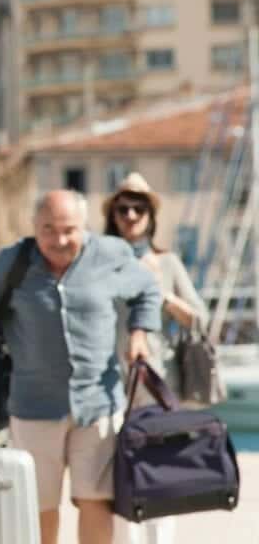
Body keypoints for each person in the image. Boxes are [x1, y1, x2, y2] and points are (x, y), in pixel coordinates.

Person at [0, 189, 162, 544]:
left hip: (97, 404)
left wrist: (139, 333)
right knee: (38, 505)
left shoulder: (110, 255)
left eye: (69, 230)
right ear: (34, 226)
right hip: (33, 405)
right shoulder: (12, 261)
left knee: (96, 500)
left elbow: (147, 289)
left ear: (85, 226)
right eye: (48, 230)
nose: (59, 240)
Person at [103, 173, 209, 544]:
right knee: (119, 475)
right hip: (110, 385)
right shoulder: (101, 261)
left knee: (161, 474)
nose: (131, 216)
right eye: (123, 209)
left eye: (139, 208)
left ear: (150, 215)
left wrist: (159, 293)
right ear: (113, 215)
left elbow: (199, 318)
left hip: (159, 384)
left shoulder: (167, 262)